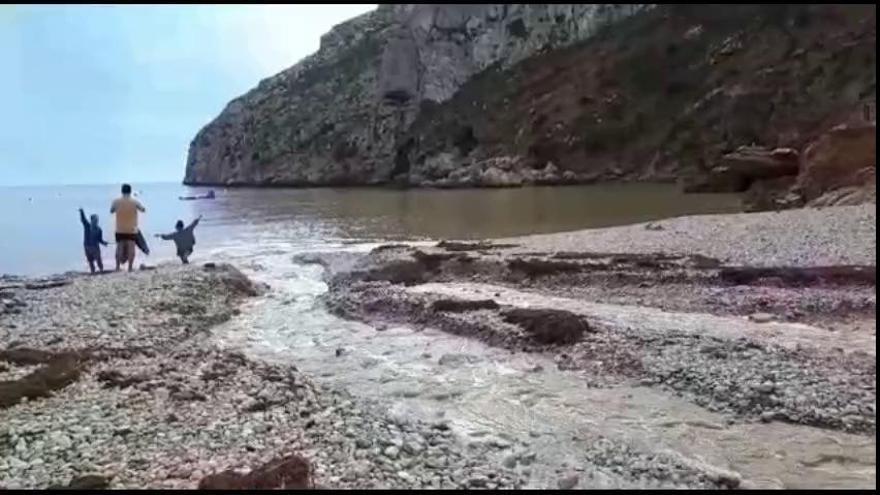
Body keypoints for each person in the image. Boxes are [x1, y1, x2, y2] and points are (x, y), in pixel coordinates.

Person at [110, 183, 146, 272]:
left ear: (122, 191)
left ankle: (117, 267)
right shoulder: (135, 201)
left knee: (119, 248)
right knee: (131, 249)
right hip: (131, 229)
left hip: (119, 229)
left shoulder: (116, 201)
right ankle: (130, 267)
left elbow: (111, 211)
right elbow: (143, 209)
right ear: (130, 191)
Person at [78, 208, 108, 274]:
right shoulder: (87, 226)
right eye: (95, 220)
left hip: (95, 247)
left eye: (97, 220)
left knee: (98, 260)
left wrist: (104, 243)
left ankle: (101, 270)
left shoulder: (99, 229)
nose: (96, 221)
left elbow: (100, 239)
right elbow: (83, 219)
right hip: (87, 246)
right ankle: (92, 271)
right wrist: (81, 212)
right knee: (90, 260)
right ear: (91, 220)